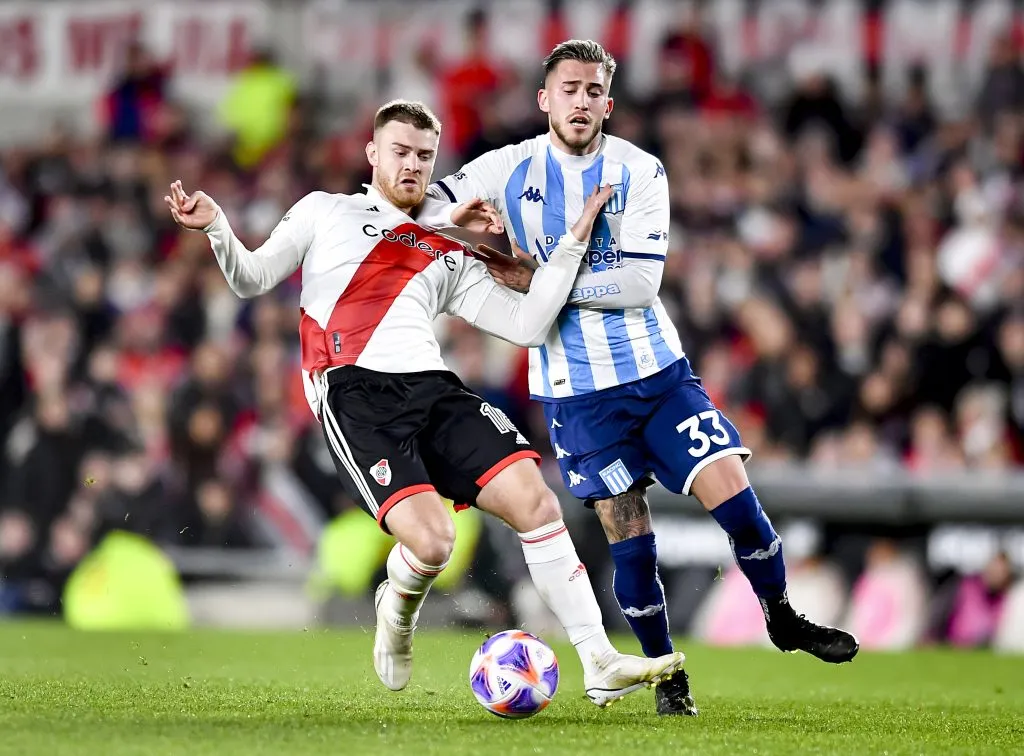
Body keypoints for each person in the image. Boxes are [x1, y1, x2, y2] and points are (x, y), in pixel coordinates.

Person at [164, 99, 685, 708]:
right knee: (433, 542)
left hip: (433, 387)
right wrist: (219, 228)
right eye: (401, 152)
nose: (412, 165)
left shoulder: (448, 248)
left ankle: (597, 659)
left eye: (425, 156)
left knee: (534, 498)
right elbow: (252, 278)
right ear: (373, 154)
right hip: (353, 390)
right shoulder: (325, 211)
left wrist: (570, 246)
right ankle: (397, 607)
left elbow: (527, 324)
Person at [428, 40, 860, 716]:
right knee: (630, 536)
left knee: (735, 497)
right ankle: (668, 678)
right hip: (575, 393)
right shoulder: (506, 168)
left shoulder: (639, 170)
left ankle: (780, 613)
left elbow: (639, 280)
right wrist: (450, 224)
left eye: (594, 90)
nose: (581, 100)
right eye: (568, 88)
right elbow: (423, 205)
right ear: (545, 99)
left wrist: (542, 278)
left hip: (657, 373)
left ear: (609, 101)